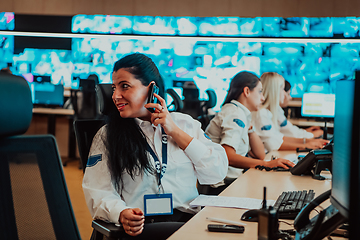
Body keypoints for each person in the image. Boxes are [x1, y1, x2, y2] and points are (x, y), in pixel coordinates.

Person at [82, 53, 228, 239]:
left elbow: (217, 174)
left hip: (186, 224)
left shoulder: (185, 125)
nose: (116, 96)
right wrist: (120, 213)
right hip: (140, 229)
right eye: (113, 88)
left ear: (152, 89)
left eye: (124, 86)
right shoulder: (108, 134)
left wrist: (174, 131)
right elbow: (98, 190)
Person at [205, 71, 295, 195]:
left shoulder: (242, 114)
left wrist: (250, 129)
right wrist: (267, 164)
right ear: (247, 91)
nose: (263, 98)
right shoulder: (234, 114)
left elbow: (260, 154)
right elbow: (228, 156)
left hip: (234, 180)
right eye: (260, 91)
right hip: (223, 187)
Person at [252, 72, 329, 152]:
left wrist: (308, 141)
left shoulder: (268, 113)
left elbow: (279, 138)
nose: (285, 94)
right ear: (275, 91)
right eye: (282, 89)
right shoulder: (262, 113)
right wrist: (306, 144)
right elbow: (273, 144)